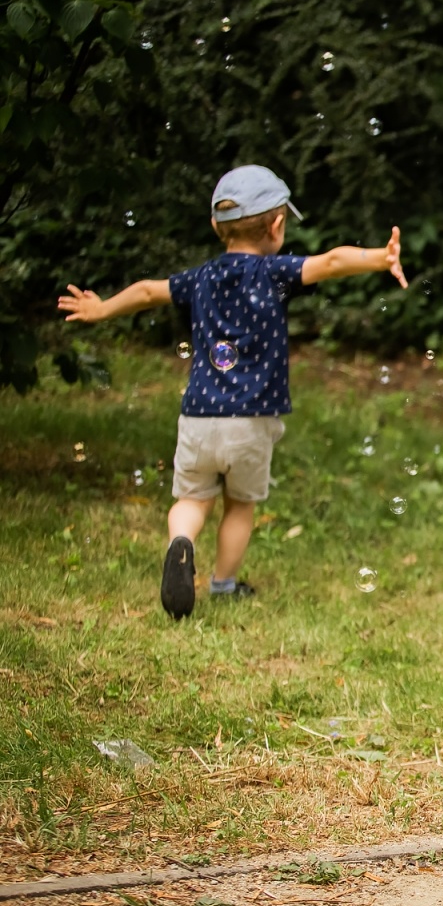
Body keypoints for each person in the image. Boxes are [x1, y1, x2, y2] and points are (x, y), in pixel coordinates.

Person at [56, 165, 407, 618]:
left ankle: (181, 542)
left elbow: (145, 290)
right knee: (239, 505)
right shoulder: (274, 273)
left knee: (191, 499)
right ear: (277, 224)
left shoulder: (199, 279)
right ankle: (223, 585)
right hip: (252, 418)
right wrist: (381, 257)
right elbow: (333, 262)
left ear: (215, 226)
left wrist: (101, 309)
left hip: (199, 415)